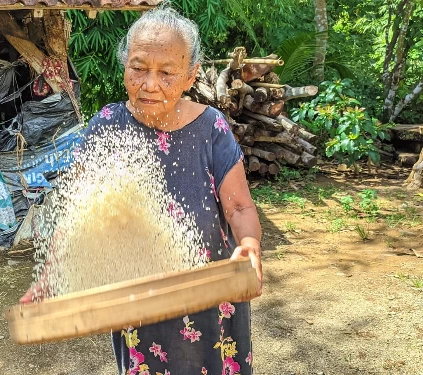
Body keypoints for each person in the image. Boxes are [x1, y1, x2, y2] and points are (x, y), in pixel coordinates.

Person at [21, 6, 262, 375]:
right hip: (139, 303)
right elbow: (77, 214)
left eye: (167, 73)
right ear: (124, 66)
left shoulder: (211, 128)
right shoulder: (107, 126)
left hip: (213, 298)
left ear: (190, 75)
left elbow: (240, 208)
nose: (149, 83)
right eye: (138, 68)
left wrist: (250, 245)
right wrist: (52, 275)